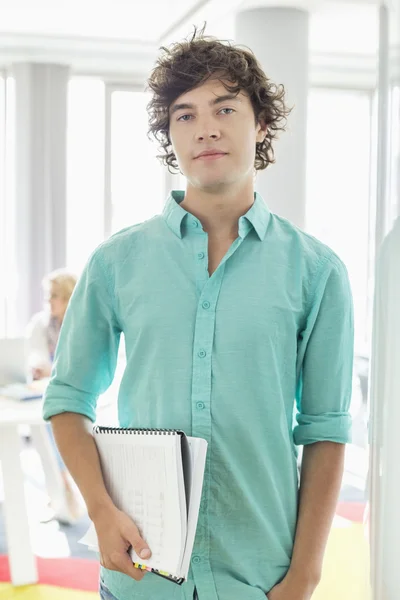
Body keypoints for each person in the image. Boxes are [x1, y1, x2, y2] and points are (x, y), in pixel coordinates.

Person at [43, 27, 354, 600]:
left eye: (225, 108)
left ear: (261, 124)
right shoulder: (116, 262)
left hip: (260, 580)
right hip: (142, 577)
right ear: (170, 137)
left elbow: (326, 432)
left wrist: (304, 577)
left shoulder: (318, 272)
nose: (205, 127)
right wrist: (101, 511)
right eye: (184, 115)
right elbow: (67, 401)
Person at [27, 268, 82, 523]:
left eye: (54, 296)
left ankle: (63, 487)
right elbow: (33, 354)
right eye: (48, 296)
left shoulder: (81, 322)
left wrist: (54, 370)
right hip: (46, 392)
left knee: (58, 429)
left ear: (68, 297)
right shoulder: (41, 323)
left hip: (74, 392)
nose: (49, 302)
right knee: (46, 431)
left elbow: (82, 364)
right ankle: (60, 487)